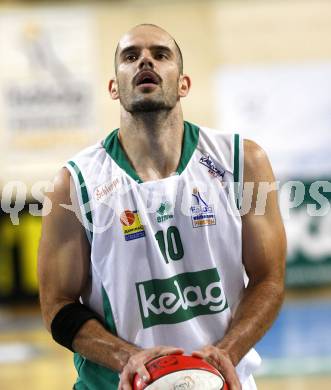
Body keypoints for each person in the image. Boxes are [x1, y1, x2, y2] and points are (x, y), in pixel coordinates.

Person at [38, 24, 286, 390]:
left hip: (222, 380)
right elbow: (57, 305)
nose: (145, 61)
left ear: (183, 83)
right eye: (130, 56)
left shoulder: (242, 161)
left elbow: (269, 279)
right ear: (113, 87)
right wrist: (127, 358)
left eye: (160, 54)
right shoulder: (74, 183)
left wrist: (227, 352)